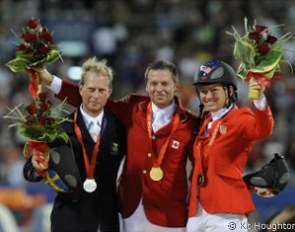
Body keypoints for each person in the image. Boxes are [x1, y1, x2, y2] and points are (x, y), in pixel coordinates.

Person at [34, 60, 196, 232]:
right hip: (131, 211)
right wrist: (51, 81)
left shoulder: (191, 123)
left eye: (165, 83)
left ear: (175, 86)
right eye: (154, 83)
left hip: (170, 215)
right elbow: (92, 97)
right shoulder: (133, 108)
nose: (159, 88)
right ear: (147, 86)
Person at [23, 57, 126, 232]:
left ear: (109, 92)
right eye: (91, 89)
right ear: (80, 89)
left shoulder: (120, 129)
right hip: (69, 220)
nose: (95, 96)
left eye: (101, 90)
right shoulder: (60, 128)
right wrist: (37, 166)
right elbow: (29, 172)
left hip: (107, 221)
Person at [186, 60, 274, 232]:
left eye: (214, 90)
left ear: (230, 91)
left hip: (227, 212)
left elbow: (262, 130)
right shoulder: (205, 122)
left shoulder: (240, 118)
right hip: (196, 212)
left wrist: (260, 101)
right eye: (203, 91)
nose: (208, 96)